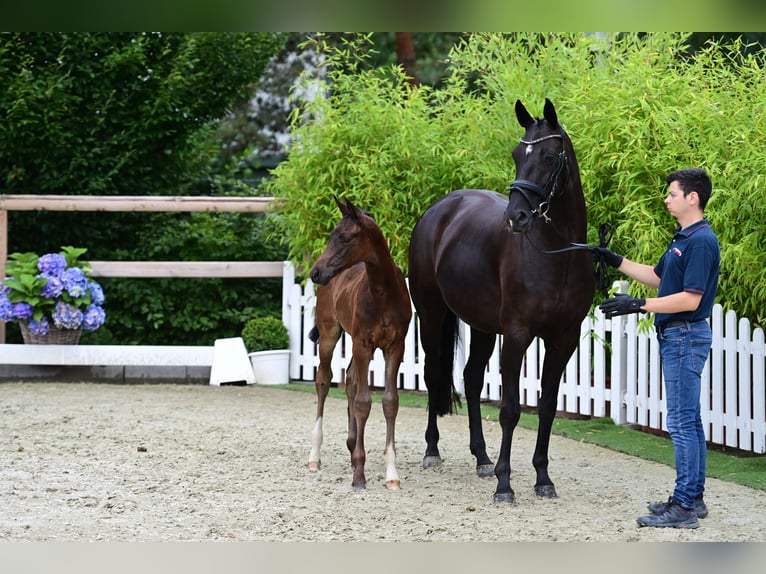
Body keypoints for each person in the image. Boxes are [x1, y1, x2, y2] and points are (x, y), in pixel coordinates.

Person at [596, 167, 720, 530]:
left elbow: (688, 298)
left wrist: (639, 305)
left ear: (692, 197)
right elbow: (660, 277)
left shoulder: (700, 241)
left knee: (681, 423)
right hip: (681, 336)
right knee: (690, 421)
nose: (667, 199)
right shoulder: (684, 238)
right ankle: (692, 499)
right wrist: (614, 259)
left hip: (684, 335)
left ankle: (683, 506)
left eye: (672, 193)